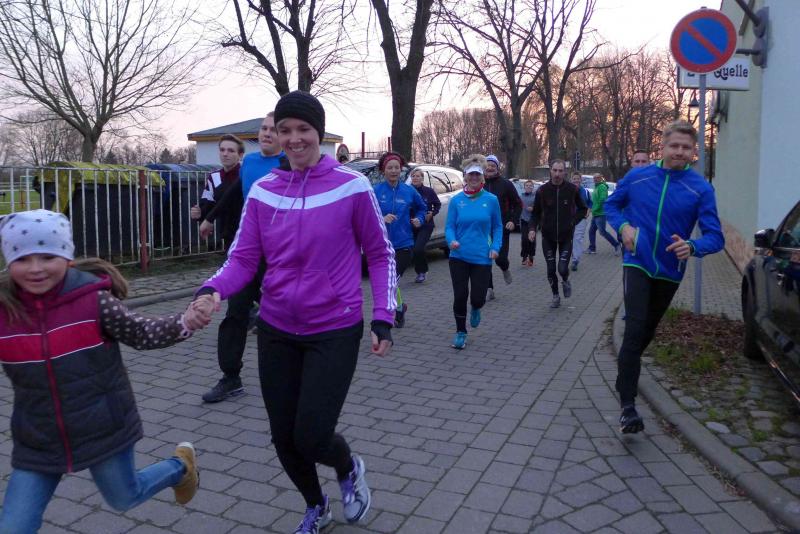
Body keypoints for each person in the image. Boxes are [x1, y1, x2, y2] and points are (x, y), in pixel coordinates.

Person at [192, 91, 395, 534]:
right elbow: (243, 258)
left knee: (312, 435)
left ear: (319, 134)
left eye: (304, 129)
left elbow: (380, 255)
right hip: (277, 327)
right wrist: (211, 290)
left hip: (334, 328)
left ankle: (348, 467)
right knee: (283, 437)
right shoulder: (264, 191)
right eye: (285, 130)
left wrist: (384, 315)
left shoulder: (351, 186)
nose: (294, 138)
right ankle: (316, 505)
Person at [0, 209, 207, 533]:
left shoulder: (93, 302)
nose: (36, 268)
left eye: (47, 256)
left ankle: (180, 467)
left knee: (125, 497)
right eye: (23, 259)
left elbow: (142, 332)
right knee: (13, 527)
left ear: (66, 258)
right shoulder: (5, 313)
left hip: (103, 427)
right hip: (38, 437)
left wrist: (185, 321)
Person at [605, 120, 724, 434]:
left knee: (646, 332)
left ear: (694, 152)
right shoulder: (639, 176)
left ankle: (624, 375)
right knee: (634, 329)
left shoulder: (701, 189)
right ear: (663, 147)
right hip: (637, 261)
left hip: (670, 270)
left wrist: (693, 246)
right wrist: (623, 228)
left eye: (686, 148)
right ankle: (628, 407)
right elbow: (610, 205)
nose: (680, 152)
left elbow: (716, 237)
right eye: (675, 146)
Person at [198, 113, 288, 404]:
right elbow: (233, 193)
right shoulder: (248, 162)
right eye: (263, 129)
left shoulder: (288, 164)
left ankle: (295, 370)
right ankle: (230, 377)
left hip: (280, 254)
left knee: (284, 314)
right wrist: (210, 218)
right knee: (235, 313)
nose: (267, 133)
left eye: (274, 130)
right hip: (249, 251)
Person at [445, 155, 503, 350]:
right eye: (471, 175)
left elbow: (498, 227)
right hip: (458, 256)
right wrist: (451, 240)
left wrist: (495, 248)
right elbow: (449, 226)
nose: (474, 178)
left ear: (482, 176)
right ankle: (461, 332)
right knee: (460, 295)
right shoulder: (456, 201)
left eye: (477, 174)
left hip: (482, 257)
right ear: (465, 176)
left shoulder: (491, 200)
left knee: (478, 298)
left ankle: (476, 308)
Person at [373, 151, 427, 328]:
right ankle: (400, 308)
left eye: (397, 168)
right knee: (390, 283)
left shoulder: (409, 191)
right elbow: (367, 214)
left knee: (390, 282)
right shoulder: (376, 191)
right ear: (383, 170)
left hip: (404, 244)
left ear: (401, 170)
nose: (394, 171)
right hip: (382, 245)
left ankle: (386, 317)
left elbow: (422, 208)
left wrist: (419, 219)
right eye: (390, 168)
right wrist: (382, 218)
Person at [528, 160, 588, 308]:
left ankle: (565, 280)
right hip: (548, 236)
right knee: (550, 269)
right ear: (550, 170)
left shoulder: (572, 189)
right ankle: (555, 296)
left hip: (565, 236)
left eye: (560, 171)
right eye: (555, 170)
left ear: (564, 172)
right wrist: (532, 229)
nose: (557, 174)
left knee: (562, 269)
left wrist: (573, 221)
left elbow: (583, 209)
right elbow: (535, 213)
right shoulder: (542, 191)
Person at [190, 134, 244, 248]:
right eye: (222, 150)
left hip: (249, 233)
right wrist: (199, 213)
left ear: (240, 155)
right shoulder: (214, 177)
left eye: (231, 151)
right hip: (228, 236)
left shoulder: (246, 174)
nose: (225, 154)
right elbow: (207, 203)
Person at [483, 154, 522, 300]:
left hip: (501, 227)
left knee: (500, 258)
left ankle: (505, 268)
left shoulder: (506, 184)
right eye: (487, 165)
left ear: (497, 168)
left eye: (493, 165)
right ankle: (489, 288)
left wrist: (513, 220)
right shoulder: (479, 184)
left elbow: (518, 204)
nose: (490, 168)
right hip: (483, 229)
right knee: (485, 259)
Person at [409, 168, 441, 283]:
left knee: (418, 248)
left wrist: (432, 213)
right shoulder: (407, 191)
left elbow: (437, 204)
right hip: (411, 225)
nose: (415, 178)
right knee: (414, 249)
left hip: (426, 225)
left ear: (422, 178)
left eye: (418, 176)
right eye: (413, 176)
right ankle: (420, 271)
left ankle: (422, 272)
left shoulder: (429, 191)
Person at [587, 172, 620, 255]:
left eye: (597, 178)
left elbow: (602, 200)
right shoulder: (596, 187)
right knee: (591, 231)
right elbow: (594, 200)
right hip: (596, 214)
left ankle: (616, 245)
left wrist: (595, 208)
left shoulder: (602, 187)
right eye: (594, 178)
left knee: (602, 232)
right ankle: (592, 248)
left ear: (601, 178)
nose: (595, 179)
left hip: (600, 213)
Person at [570, 171, 593, 271]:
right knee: (569, 239)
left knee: (577, 239)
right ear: (571, 180)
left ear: (581, 180)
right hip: (569, 218)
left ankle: (575, 260)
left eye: (578, 179)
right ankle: (571, 255)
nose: (576, 180)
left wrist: (588, 211)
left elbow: (590, 203)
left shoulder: (585, 192)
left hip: (581, 219)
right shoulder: (567, 190)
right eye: (574, 179)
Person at [519, 180, 537, 267]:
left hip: (532, 221)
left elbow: (539, 208)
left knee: (531, 239)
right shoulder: (520, 197)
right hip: (523, 220)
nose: (529, 187)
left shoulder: (535, 197)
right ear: (524, 187)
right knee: (524, 239)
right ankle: (524, 256)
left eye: (530, 186)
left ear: (533, 187)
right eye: (527, 185)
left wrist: (533, 209)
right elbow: (517, 207)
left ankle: (531, 256)